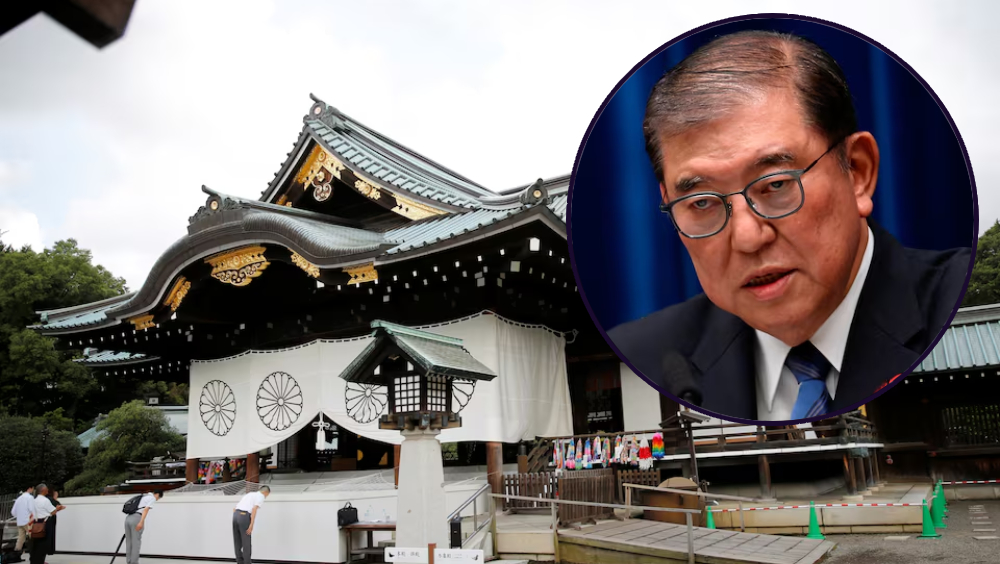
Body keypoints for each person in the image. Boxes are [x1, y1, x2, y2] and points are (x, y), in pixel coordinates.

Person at [609, 30, 971, 421]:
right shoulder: (642, 353)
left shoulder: (958, 302)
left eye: (776, 185)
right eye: (701, 202)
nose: (747, 237)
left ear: (858, 173)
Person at [233, 486, 270, 564]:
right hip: (244, 516)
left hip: (235, 515)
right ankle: (247, 562)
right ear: (265, 492)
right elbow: (254, 509)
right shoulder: (261, 496)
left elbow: (234, 508)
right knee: (246, 542)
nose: (266, 497)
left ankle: (240, 562)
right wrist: (251, 524)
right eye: (267, 495)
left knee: (237, 541)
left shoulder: (249, 494)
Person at [124, 490, 163, 564]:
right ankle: (134, 562)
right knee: (136, 542)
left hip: (128, 518)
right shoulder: (152, 498)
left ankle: (129, 561)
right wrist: (141, 522)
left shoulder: (143, 496)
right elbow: (145, 510)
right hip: (137, 518)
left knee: (129, 542)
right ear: (157, 494)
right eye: (159, 498)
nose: (157, 499)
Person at [30, 484, 65, 564]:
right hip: (44, 523)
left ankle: (34, 561)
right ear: (43, 490)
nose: (48, 490)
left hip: (35, 523)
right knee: (43, 544)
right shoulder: (45, 500)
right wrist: (58, 508)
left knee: (35, 543)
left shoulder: (34, 500)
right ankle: (40, 561)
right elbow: (52, 512)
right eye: (46, 489)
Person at [10, 485, 35, 562]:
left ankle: (16, 556)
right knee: (32, 538)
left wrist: (20, 515)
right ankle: (33, 556)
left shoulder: (19, 499)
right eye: (33, 488)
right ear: (29, 488)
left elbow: (13, 512)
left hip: (20, 522)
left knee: (20, 539)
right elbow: (32, 509)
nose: (33, 490)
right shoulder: (30, 498)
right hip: (28, 521)